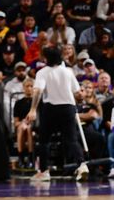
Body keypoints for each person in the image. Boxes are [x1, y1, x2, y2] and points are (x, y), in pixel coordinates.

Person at [26, 47, 89, 182]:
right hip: (68, 107)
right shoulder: (68, 72)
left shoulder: (42, 72)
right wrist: (81, 97)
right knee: (72, 139)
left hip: (51, 108)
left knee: (44, 141)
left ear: (46, 58)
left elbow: (37, 91)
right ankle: (82, 165)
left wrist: (32, 110)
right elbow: (78, 93)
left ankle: (44, 171)